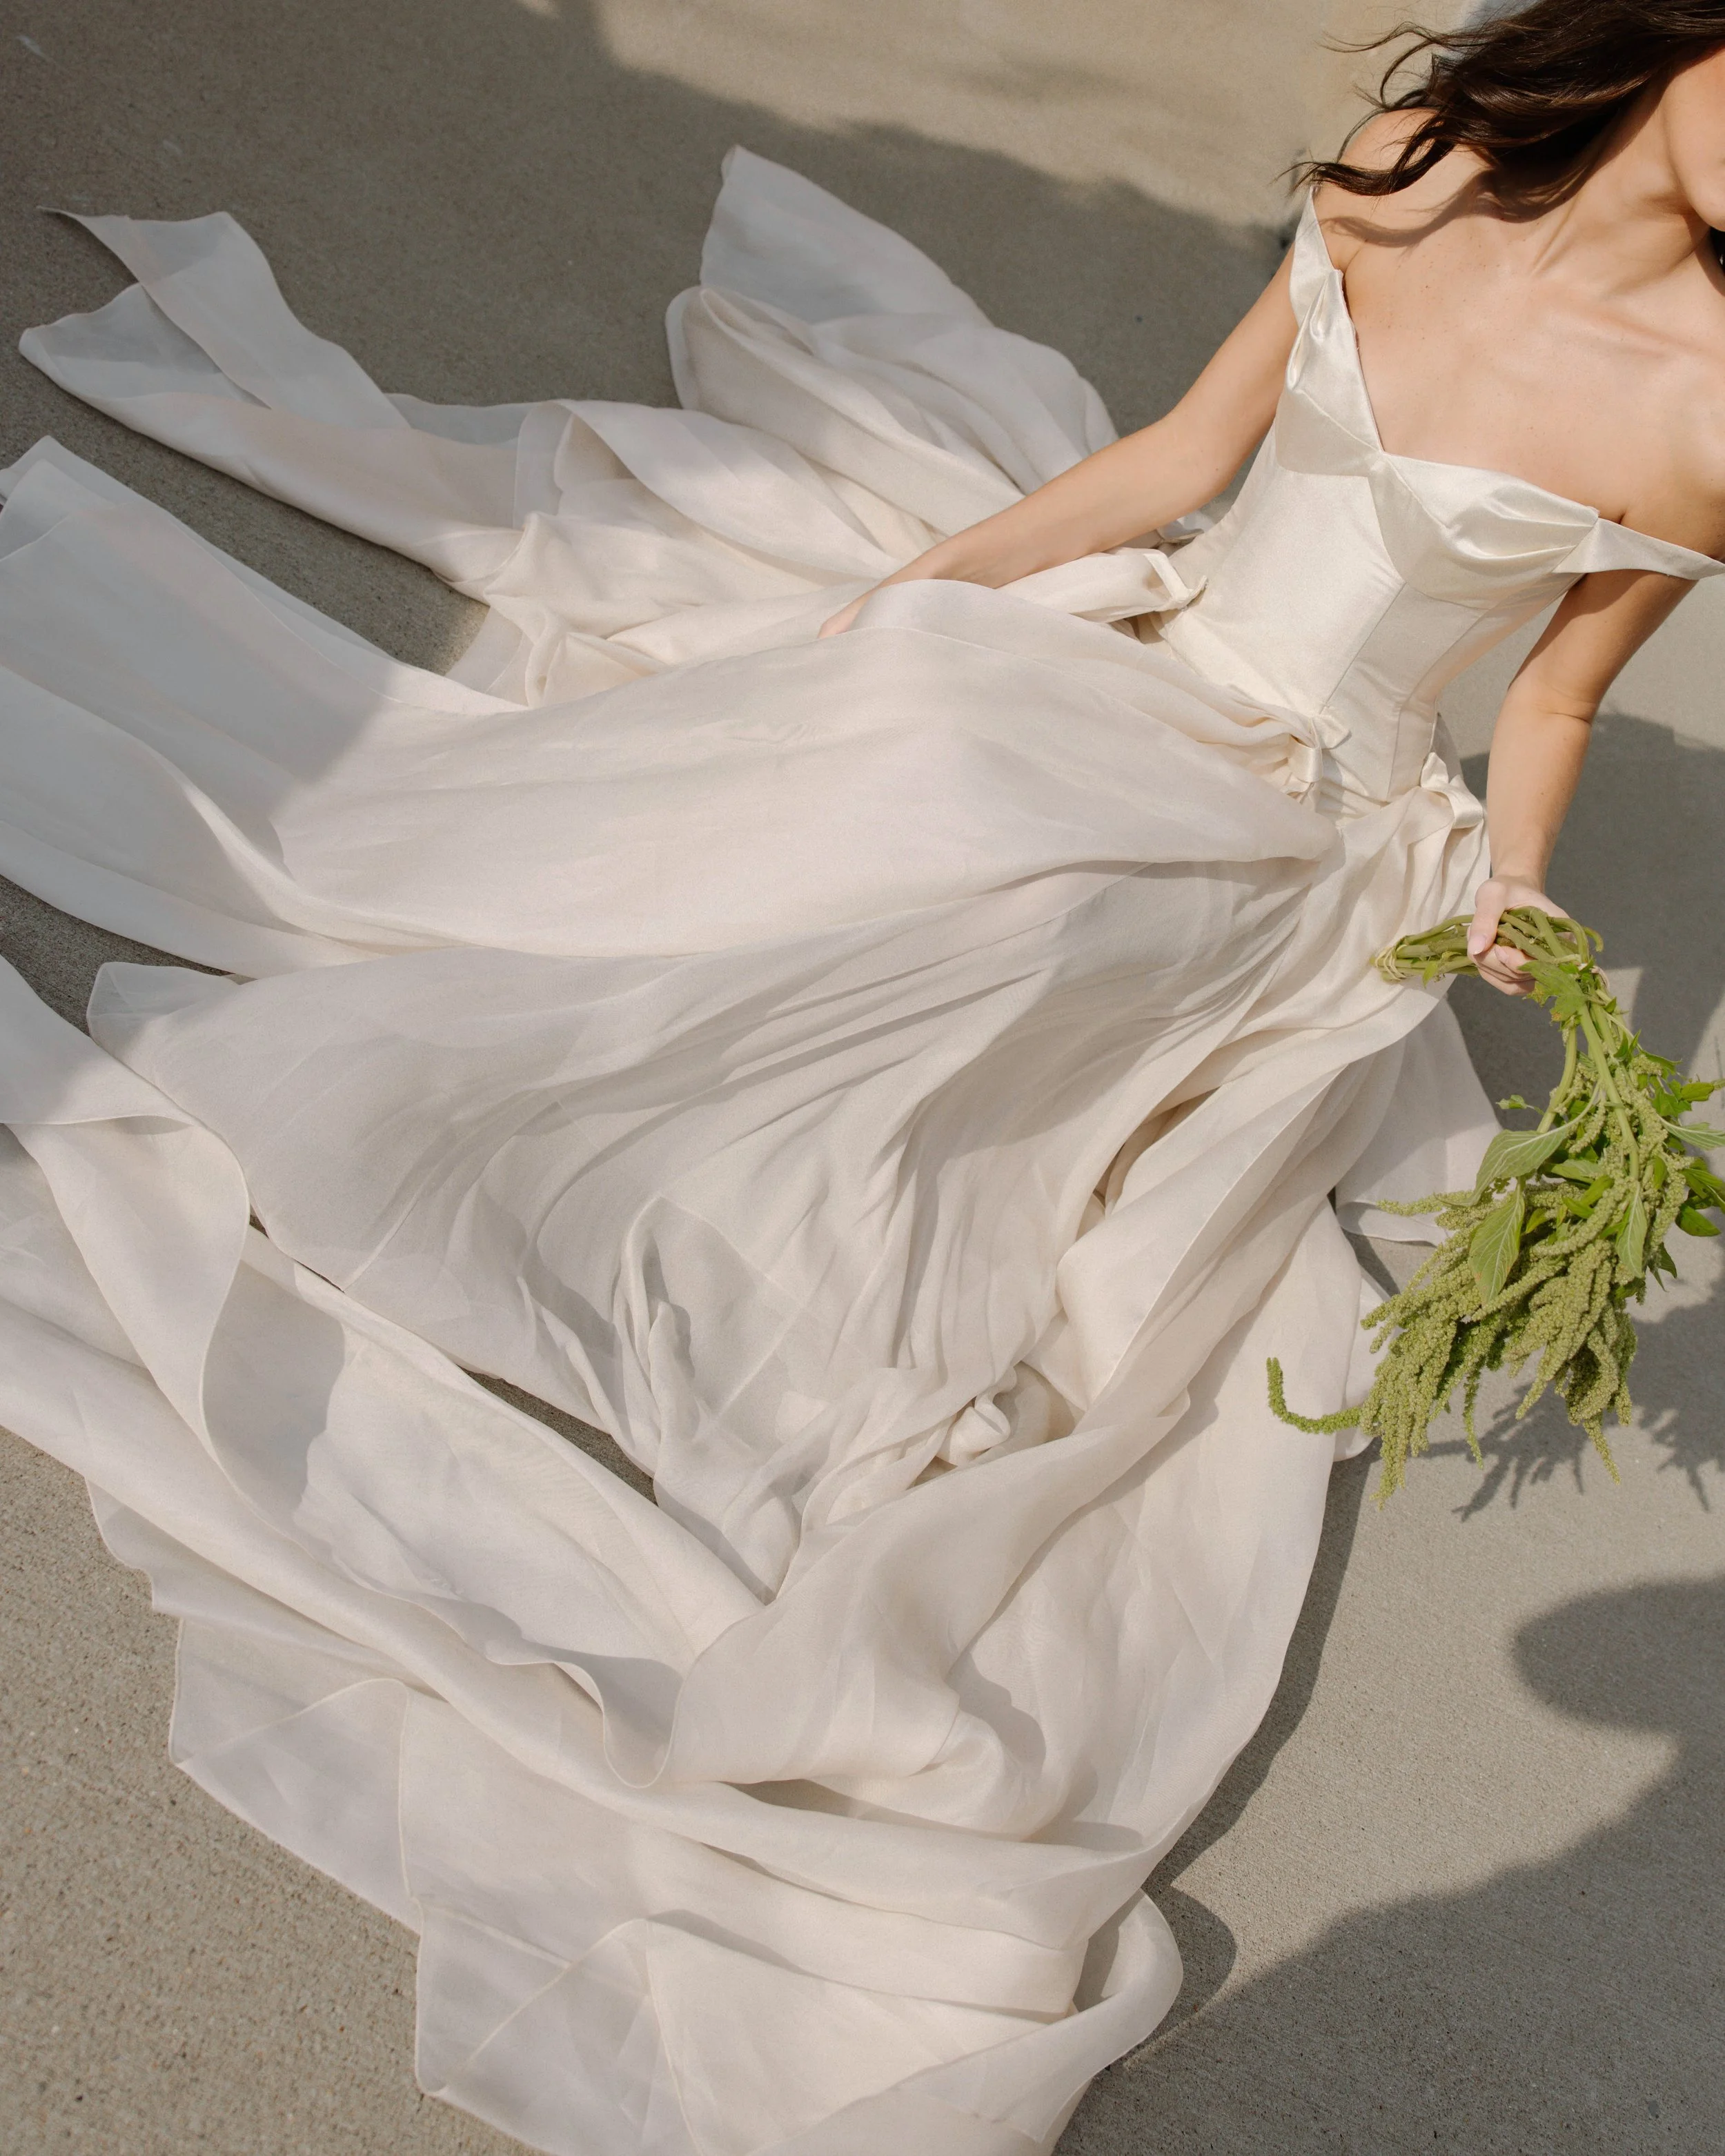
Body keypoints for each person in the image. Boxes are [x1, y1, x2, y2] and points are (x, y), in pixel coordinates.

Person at [0, 4, 1719, 2150]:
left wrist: (1520, 894)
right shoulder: (1418, 161)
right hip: (1148, 650)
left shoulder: (1716, 413)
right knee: (901, 758)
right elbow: (1179, 466)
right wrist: (922, 596)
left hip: (1318, 819)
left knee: (1041, 922)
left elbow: (1548, 698)